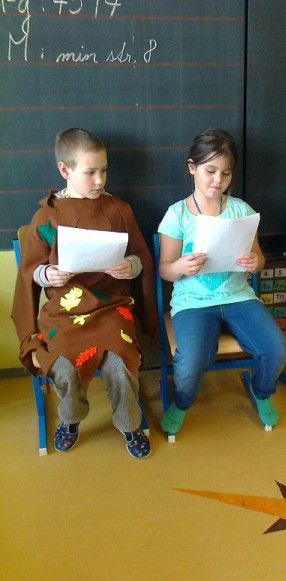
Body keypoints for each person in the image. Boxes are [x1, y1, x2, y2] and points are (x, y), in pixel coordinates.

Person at [11, 128, 156, 458]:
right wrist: (48, 274)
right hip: (64, 313)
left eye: (104, 170)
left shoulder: (118, 209)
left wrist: (129, 267)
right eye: (90, 172)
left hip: (111, 307)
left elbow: (140, 257)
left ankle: (129, 423)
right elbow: (31, 271)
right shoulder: (45, 217)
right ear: (65, 170)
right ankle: (71, 417)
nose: (100, 180)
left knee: (120, 362)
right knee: (62, 366)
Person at [157, 128, 286, 436]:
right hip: (193, 303)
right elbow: (164, 269)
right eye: (210, 171)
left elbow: (259, 259)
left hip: (238, 297)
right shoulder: (177, 215)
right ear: (192, 168)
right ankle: (181, 403)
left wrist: (255, 262)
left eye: (226, 173)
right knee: (192, 360)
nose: (218, 180)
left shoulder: (240, 209)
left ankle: (262, 392)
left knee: (275, 348)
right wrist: (180, 266)